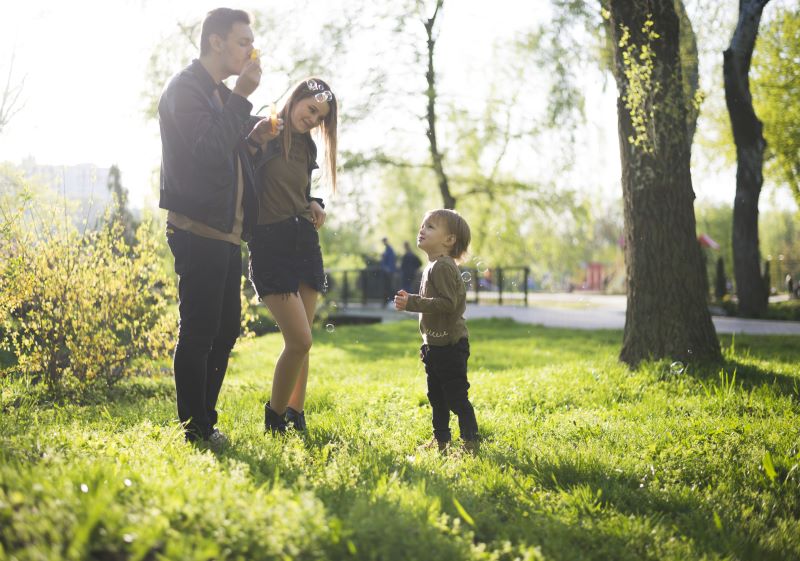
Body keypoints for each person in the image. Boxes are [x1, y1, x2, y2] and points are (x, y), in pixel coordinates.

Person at [159, 8, 271, 446]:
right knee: (200, 331)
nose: (251, 49)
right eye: (244, 41)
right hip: (197, 229)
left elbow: (224, 150)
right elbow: (205, 152)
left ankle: (204, 420)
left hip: (227, 233)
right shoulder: (184, 90)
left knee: (224, 332)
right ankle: (196, 429)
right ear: (216, 42)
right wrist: (243, 96)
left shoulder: (221, 96)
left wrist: (251, 136)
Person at [246, 77, 338, 433]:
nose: (313, 120)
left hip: (303, 242)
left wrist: (314, 201)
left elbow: (297, 190)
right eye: (311, 109)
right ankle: (274, 417)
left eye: (320, 118)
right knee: (299, 339)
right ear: (296, 98)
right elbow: (243, 171)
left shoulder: (308, 148)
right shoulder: (264, 129)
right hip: (270, 245)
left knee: (304, 345)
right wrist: (255, 139)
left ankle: (295, 415)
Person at [394, 209, 479, 453]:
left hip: (450, 347)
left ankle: (470, 441)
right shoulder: (434, 265)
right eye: (422, 225)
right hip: (435, 346)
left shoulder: (442, 266)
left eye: (430, 227)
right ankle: (441, 441)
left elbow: (447, 303)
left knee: (455, 397)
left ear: (449, 240)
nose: (422, 229)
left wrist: (413, 302)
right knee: (437, 397)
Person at [380, 238, 397, 305]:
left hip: (389, 272)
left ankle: (390, 300)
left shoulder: (389, 249)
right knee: (386, 286)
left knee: (389, 286)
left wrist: (388, 269)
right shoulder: (387, 249)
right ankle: (387, 301)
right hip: (386, 272)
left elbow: (391, 260)